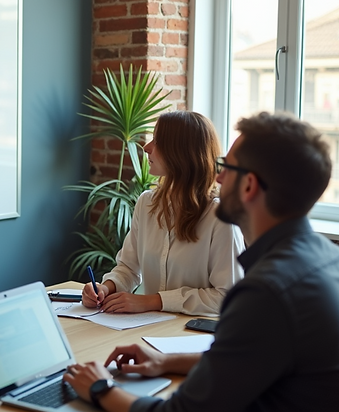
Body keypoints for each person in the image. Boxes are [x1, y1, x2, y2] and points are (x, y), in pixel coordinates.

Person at [64, 112, 339, 412]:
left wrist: (101, 388)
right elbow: (243, 360)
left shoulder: (267, 291)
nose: (218, 176)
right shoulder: (329, 259)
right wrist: (165, 361)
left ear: (249, 186)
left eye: (227, 167)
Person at [82, 110, 244, 316]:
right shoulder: (146, 203)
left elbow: (227, 297)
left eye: (157, 141)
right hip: (149, 327)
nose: (146, 147)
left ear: (181, 153)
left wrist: (154, 301)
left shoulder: (221, 218)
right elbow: (128, 268)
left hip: (192, 331)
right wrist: (105, 288)